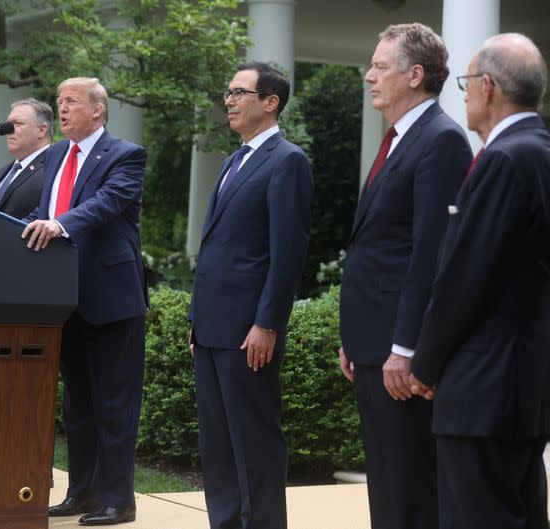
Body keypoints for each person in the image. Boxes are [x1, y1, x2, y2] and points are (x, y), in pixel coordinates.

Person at [410, 33, 550, 529]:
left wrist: (424, 365)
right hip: (524, 387)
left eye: (468, 83)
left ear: (487, 87)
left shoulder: (504, 159)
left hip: (483, 391)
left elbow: (465, 277)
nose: (464, 93)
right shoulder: (540, 151)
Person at [338, 23, 472, 529]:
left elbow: (430, 254)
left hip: (401, 353)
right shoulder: (398, 138)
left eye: (380, 66)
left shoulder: (441, 141)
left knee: (410, 488)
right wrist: (358, 336)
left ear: (415, 75)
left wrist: (405, 347)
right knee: (389, 485)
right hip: (374, 344)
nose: (369, 75)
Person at [188, 61, 313, 529]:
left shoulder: (288, 161)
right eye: (229, 92)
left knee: (254, 440)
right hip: (212, 328)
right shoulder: (231, 160)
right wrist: (196, 321)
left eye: (240, 92)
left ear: (270, 101)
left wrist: (268, 323)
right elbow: (215, 249)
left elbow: (287, 254)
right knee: (217, 444)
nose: (229, 100)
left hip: (249, 331)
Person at [21, 77, 147, 526]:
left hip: (112, 298)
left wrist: (59, 225)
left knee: (114, 406)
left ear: (97, 110)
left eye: (70, 102)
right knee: (77, 406)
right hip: (63, 299)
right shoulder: (55, 154)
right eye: (58, 102)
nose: (62, 109)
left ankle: (118, 501)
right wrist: (15, 227)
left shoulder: (125, 155)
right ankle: (83, 493)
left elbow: (106, 203)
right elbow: (44, 210)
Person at [0, 98, 52, 218]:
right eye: (9, 124)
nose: (8, 130)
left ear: (42, 130)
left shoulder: (55, 167)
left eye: (18, 124)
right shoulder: (3, 172)